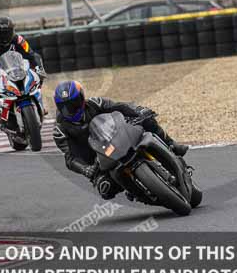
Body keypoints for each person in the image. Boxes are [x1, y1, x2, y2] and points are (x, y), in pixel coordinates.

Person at [52, 79, 188, 200]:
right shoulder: (60, 130)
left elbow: (119, 106)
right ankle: (136, 189)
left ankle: (171, 144)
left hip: (117, 137)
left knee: (147, 120)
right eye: (65, 107)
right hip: (98, 162)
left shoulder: (94, 103)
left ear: (82, 98)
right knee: (106, 189)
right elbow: (70, 158)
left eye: (74, 104)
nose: (71, 110)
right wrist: (85, 169)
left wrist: (137, 112)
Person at [0, 16, 46, 126]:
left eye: (8, 32)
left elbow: (32, 55)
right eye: (3, 34)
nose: (6, 36)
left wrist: (39, 68)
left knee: (35, 80)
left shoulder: (18, 39)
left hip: (15, 68)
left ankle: (39, 105)